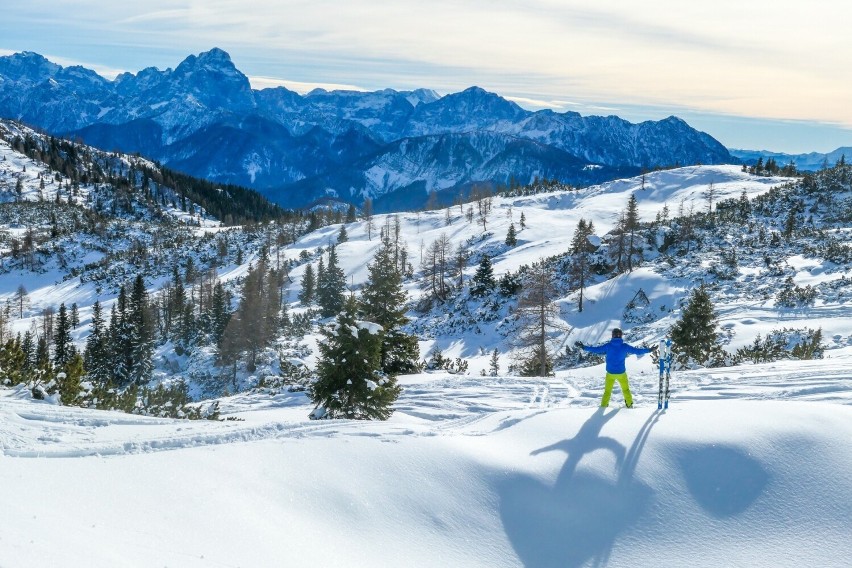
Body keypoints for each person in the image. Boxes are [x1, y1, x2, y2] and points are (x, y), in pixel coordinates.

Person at [577, 328, 654, 408]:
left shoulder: (608, 346)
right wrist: (649, 350)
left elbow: (596, 350)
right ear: (620, 336)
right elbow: (637, 351)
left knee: (607, 391)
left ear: (613, 336)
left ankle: (603, 406)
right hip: (621, 373)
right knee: (626, 390)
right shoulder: (625, 346)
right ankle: (629, 404)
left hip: (610, 373)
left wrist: (584, 347)